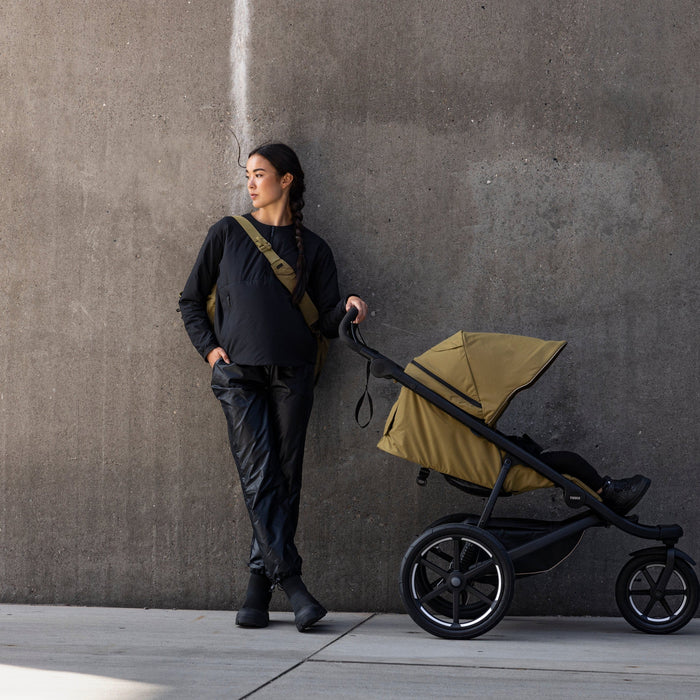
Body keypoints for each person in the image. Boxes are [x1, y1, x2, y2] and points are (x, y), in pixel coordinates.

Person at [179, 142, 368, 632]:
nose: (250, 183)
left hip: (294, 374)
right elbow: (190, 300)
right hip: (238, 376)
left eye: (259, 174)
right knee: (260, 476)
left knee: (284, 479)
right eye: (248, 174)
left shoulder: (315, 249)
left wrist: (349, 306)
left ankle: (257, 589)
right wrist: (210, 350)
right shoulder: (227, 233)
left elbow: (325, 322)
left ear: (286, 180)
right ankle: (294, 585)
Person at [508, 435, 651, 513]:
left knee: (567, 462)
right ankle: (609, 493)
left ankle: (606, 491)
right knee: (569, 462)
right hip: (509, 468)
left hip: (509, 462)